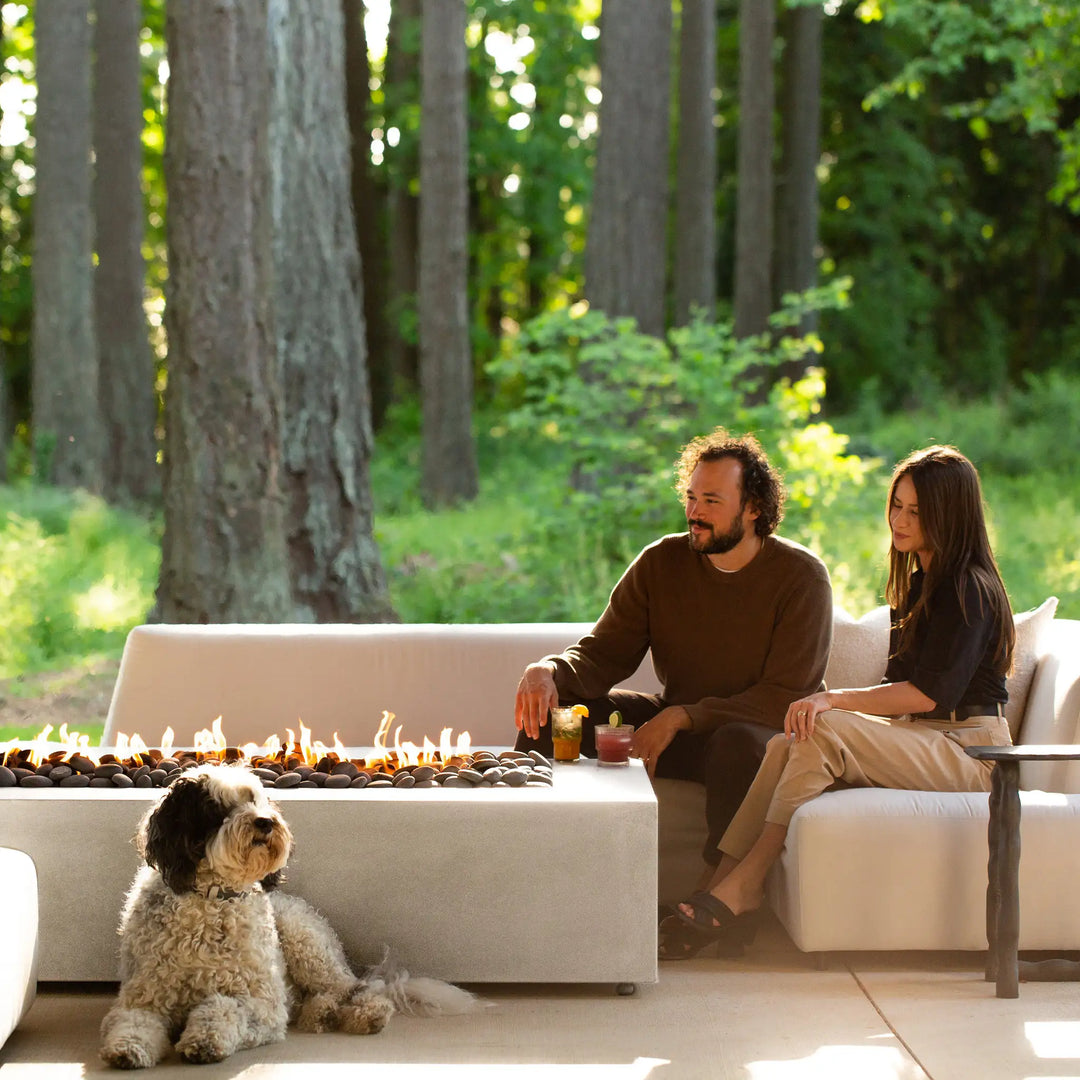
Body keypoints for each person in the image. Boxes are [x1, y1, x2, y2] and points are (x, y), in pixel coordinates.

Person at [662, 444, 1015, 959]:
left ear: (950, 515)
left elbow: (929, 693)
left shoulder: (968, 588)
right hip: (927, 737)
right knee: (787, 743)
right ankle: (717, 876)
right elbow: (902, 689)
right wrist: (829, 705)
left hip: (973, 753)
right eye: (897, 504)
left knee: (820, 725)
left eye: (917, 511)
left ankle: (747, 883)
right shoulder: (921, 585)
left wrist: (834, 701)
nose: (900, 519)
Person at [514, 428, 834, 863]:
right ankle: (523, 854)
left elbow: (786, 696)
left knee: (734, 744)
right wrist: (548, 670)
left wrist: (682, 715)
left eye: (712, 502)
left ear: (754, 508)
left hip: (758, 740)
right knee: (559, 711)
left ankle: (718, 901)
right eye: (691, 498)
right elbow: (604, 653)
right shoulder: (661, 562)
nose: (694, 513)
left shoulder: (801, 577)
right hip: (679, 730)